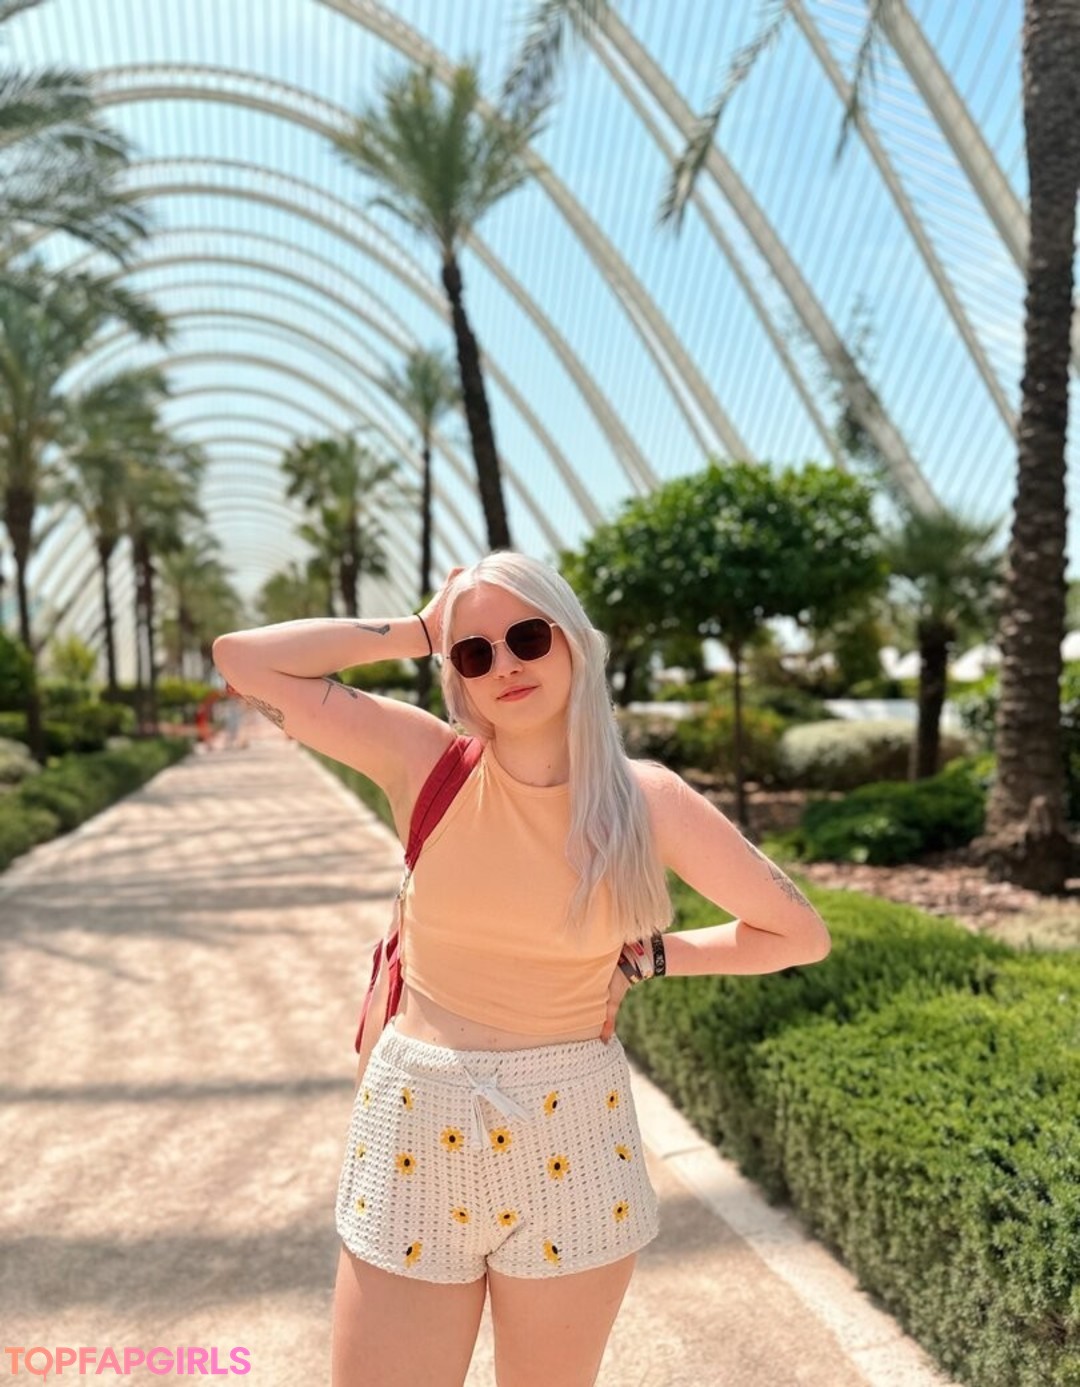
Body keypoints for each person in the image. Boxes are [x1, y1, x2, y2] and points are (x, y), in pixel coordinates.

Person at [211, 552, 832, 1387]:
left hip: (571, 1126)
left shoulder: (646, 800)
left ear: (572, 639)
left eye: (528, 637)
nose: (505, 663)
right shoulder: (425, 760)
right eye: (476, 651)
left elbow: (795, 932)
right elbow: (242, 659)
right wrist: (420, 629)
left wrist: (651, 956)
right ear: (458, 674)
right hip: (416, 1122)